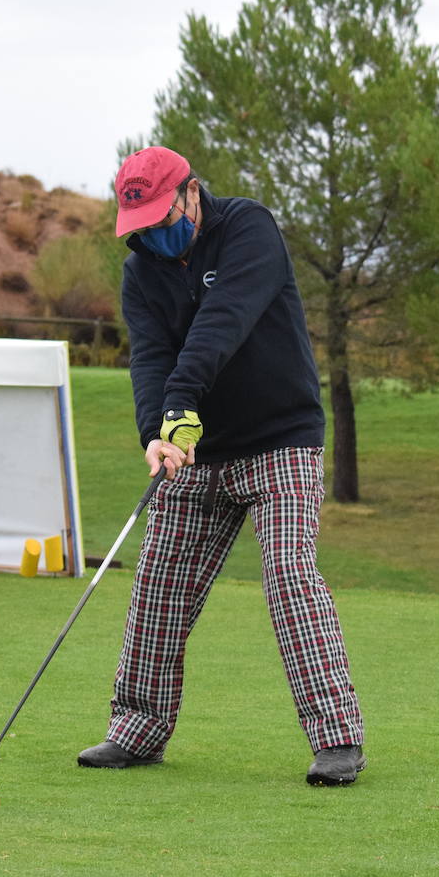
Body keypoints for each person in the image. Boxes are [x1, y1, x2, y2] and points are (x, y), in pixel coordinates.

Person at [76, 146, 366, 786]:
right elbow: (149, 359)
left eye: (161, 217)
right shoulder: (141, 273)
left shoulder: (248, 229)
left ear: (191, 194)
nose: (154, 234)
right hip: (196, 451)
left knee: (289, 575)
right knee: (158, 586)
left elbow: (222, 322)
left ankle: (337, 739)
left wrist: (181, 403)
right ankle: (137, 731)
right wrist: (156, 433)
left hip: (281, 439)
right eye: (141, 225)